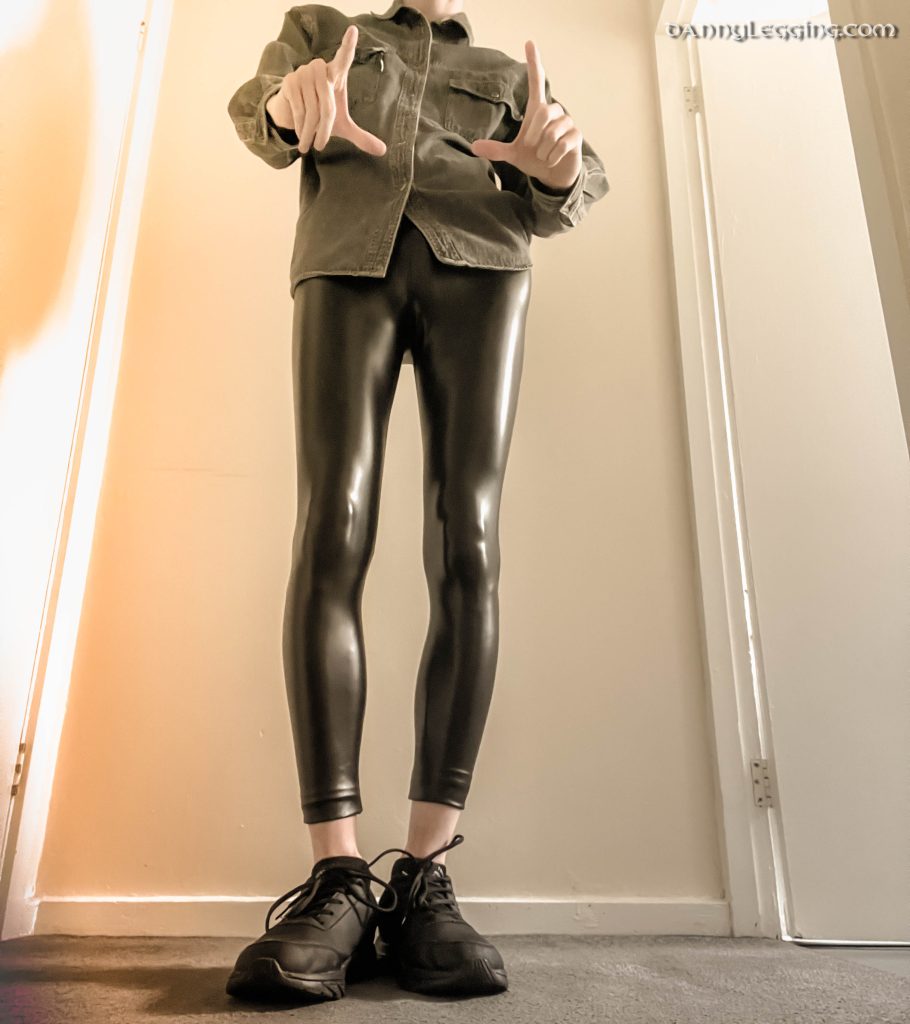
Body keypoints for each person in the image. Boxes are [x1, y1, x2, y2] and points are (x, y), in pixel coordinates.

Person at [224, 0, 609, 1003]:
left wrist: (559, 169)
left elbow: (575, 185)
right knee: (332, 529)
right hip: (344, 258)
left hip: (485, 266)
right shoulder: (321, 29)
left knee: (468, 541)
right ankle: (338, 877)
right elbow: (258, 112)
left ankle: (425, 877)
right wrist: (289, 106)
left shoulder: (510, 72)